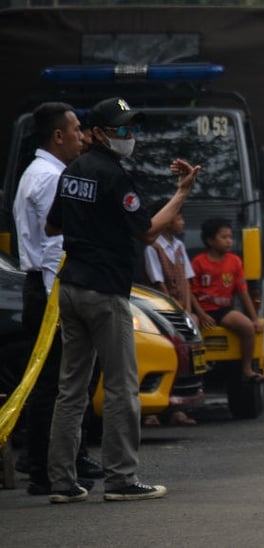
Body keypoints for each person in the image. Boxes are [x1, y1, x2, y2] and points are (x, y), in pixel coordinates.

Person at [45, 96, 200, 503]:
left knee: (71, 389)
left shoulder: (73, 170)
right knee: (121, 388)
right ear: (97, 132)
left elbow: (51, 224)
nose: (129, 136)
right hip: (105, 292)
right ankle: (121, 479)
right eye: (121, 129)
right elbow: (148, 232)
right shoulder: (114, 176)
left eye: (132, 128)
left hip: (71, 288)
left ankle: (61, 481)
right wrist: (182, 192)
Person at [12, 101, 105, 496]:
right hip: (51, 289)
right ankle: (45, 469)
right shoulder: (50, 178)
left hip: (50, 287)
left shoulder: (48, 173)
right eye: (78, 129)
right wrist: (61, 301)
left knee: (73, 380)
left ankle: (71, 455)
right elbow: (54, 246)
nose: (83, 136)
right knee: (56, 384)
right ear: (58, 135)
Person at [190, 217, 264, 383]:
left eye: (230, 237)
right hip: (201, 309)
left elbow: (243, 292)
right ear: (210, 240)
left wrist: (254, 319)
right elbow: (191, 292)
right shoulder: (198, 262)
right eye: (223, 237)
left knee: (247, 327)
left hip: (223, 310)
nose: (229, 241)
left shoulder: (235, 262)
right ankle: (193, 373)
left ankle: (247, 368)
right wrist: (202, 315)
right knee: (191, 328)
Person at [142, 200, 198, 426]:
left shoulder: (179, 247)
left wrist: (189, 311)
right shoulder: (152, 247)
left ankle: (179, 407)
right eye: (178, 218)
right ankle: (152, 411)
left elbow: (185, 280)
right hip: (161, 312)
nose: (182, 222)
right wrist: (175, 310)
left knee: (186, 358)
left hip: (180, 310)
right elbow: (159, 284)